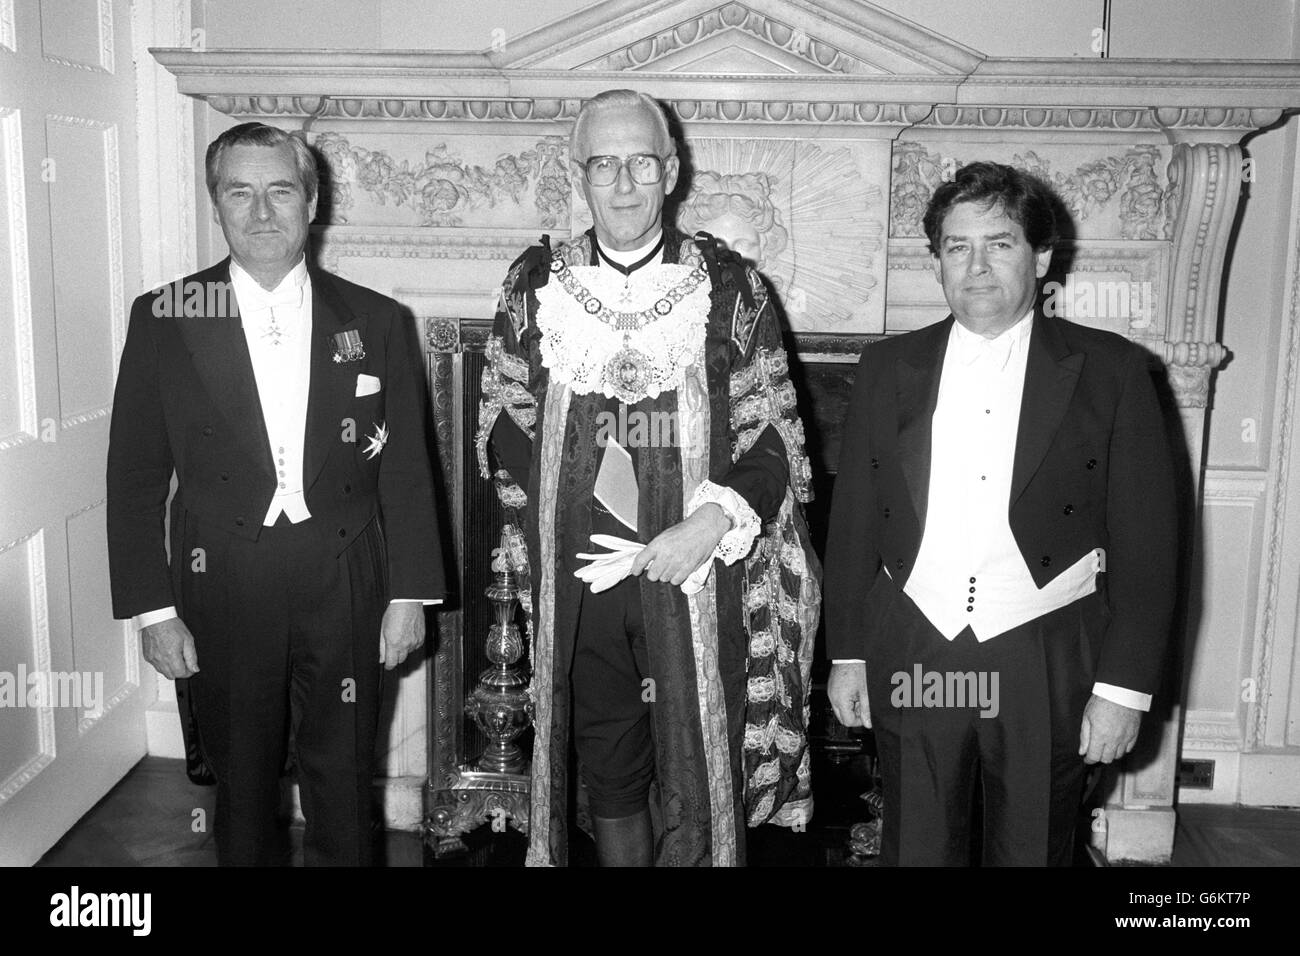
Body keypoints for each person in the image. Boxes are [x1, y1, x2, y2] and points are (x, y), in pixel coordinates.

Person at [478, 89, 820, 866]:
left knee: (698, 764)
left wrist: (709, 525)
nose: (624, 183)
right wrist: (568, 521)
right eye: (605, 163)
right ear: (579, 173)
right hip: (584, 580)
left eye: (641, 162)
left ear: (671, 170)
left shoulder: (732, 291)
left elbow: (774, 437)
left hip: (698, 576)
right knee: (610, 765)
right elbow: (502, 416)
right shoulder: (534, 287)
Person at [107, 122, 446, 866]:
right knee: (243, 787)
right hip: (222, 578)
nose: (262, 212)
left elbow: (408, 469)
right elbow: (133, 476)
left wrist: (410, 595)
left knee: (346, 782)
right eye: (240, 192)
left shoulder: (378, 320)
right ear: (217, 206)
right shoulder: (164, 317)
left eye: (281, 191)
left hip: (348, 576)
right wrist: (155, 610)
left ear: (313, 201)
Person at [824, 161, 1177, 866]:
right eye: (957, 247)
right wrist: (849, 653)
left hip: (1041, 649)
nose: (977, 267)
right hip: (917, 639)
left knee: (1034, 849)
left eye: (1001, 243)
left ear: (1042, 257)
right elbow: (855, 523)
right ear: (938, 262)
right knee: (915, 847)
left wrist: (1123, 689)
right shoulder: (888, 368)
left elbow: (1150, 545)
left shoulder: (1114, 372)